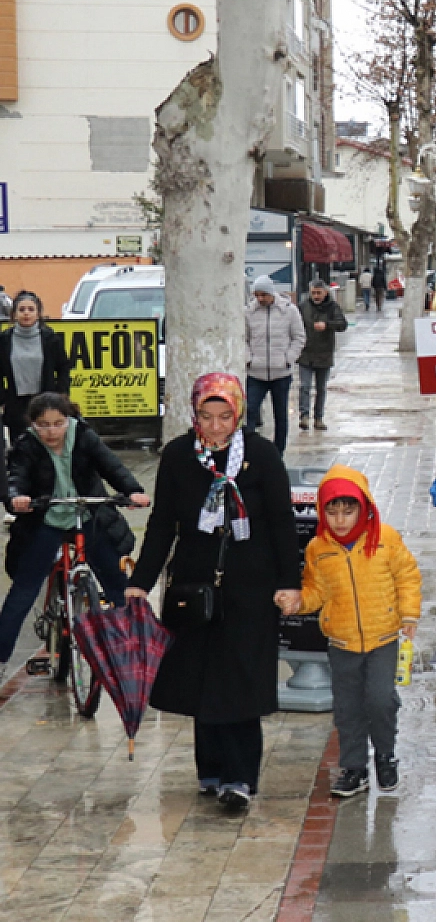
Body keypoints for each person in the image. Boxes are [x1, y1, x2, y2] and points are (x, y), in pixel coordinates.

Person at [125, 374, 300, 811]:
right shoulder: (179, 456)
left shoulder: (260, 455)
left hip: (251, 583)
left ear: (238, 413)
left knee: (241, 675)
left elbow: (281, 522)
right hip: (193, 581)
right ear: (194, 414)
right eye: (207, 416)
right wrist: (140, 583)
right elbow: (164, 522)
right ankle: (212, 770)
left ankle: (240, 777)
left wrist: (290, 583)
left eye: (225, 417)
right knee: (202, 675)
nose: (216, 426)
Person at [300, 466, 422, 797]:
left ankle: (385, 754)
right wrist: (296, 602)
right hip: (341, 642)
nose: (341, 520)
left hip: (383, 637)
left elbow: (407, 576)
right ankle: (354, 768)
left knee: (381, 700)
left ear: (364, 507)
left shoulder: (386, 539)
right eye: (332, 511)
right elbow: (315, 592)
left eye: (348, 511)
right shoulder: (318, 549)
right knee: (348, 707)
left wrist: (409, 613)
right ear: (322, 512)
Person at [0, 393, 149, 665]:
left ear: (69, 420)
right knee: (24, 590)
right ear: (32, 424)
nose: (51, 431)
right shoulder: (25, 447)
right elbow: (15, 477)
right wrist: (16, 498)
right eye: (43, 425)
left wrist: (133, 492)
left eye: (58, 423)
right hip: (45, 519)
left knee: (117, 582)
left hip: (88, 514)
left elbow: (111, 466)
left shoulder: (84, 436)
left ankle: (137, 650)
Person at [0, 291, 71, 445]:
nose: (26, 313)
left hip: (45, 401)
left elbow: (64, 367)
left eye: (31, 309)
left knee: (45, 443)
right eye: (22, 309)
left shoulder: (50, 339)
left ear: (38, 314)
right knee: (20, 445)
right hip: (16, 404)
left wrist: (60, 394)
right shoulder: (4, 340)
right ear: (14, 314)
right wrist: (3, 398)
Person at [245, 276, 305, 455]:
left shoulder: (289, 311)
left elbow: (299, 337)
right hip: (256, 373)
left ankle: (278, 452)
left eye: (263, 295)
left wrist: (289, 358)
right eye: (257, 295)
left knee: (281, 415)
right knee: (250, 412)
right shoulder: (248, 312)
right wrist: (249, 359)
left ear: (271, 293)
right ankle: (249, 451)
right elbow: (243, 339)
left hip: (281, 373)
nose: (260, 299)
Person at [297, 278, 348, 433]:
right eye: (313, 293)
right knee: (305, 386)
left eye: (319, 293)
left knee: (321, 388)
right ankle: (304, 416)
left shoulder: (332, 307)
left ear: (325, 293)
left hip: (324, 354)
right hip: (305, 353)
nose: (316, 296)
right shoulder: (303, 307)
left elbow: (342, 324)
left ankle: (318, 418)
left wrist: (327, 326)